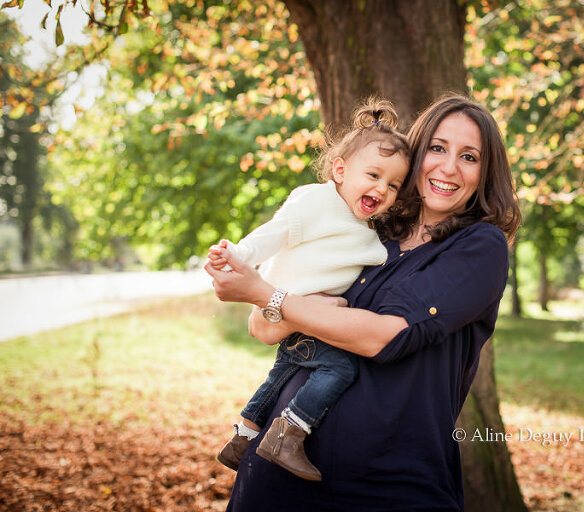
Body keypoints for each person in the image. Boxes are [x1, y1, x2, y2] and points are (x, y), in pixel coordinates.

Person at [205, 93, 522, 511]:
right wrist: (272, 300)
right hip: (279, 479)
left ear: (485, 173)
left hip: (387, 484)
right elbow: (262, 328)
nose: (448, 167)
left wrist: (267, 294)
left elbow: (383, 338)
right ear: (416, 154)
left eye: (469, 156)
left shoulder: (479, 247)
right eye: (437, 148)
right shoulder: (368, 231)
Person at [207, 98, 411, 480]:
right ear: (339, 169)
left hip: (301, 319)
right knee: (340, 367)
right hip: (292, 310)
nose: (381, 188)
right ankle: (290, 432)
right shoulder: (318, 201)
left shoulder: (366, 229)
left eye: (394, 184)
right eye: (373, 175)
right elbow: (276, 232)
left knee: (281, 372)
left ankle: (243, 435)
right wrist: (238, 254)